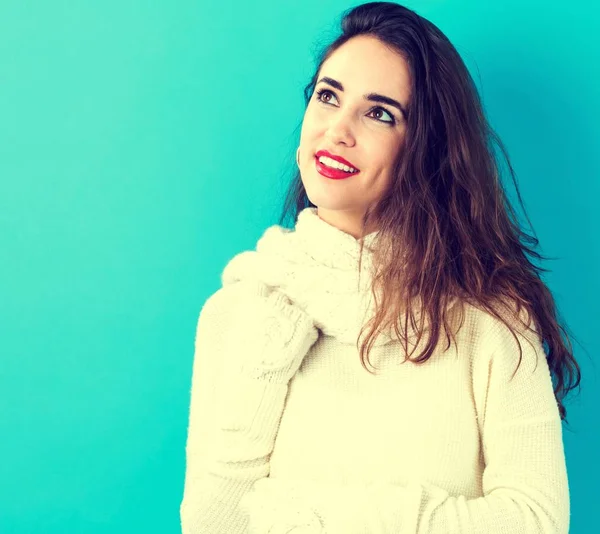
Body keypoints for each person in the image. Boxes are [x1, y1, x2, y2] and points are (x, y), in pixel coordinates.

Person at [179, 2, 581, 533]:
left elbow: (535, 521)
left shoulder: (493, 318)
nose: (338, 130)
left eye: (379, 113)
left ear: (425, 148)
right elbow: (212, 524)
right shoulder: (240, 311)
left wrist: (309, 516)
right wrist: (265, 365)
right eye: (328, 96)